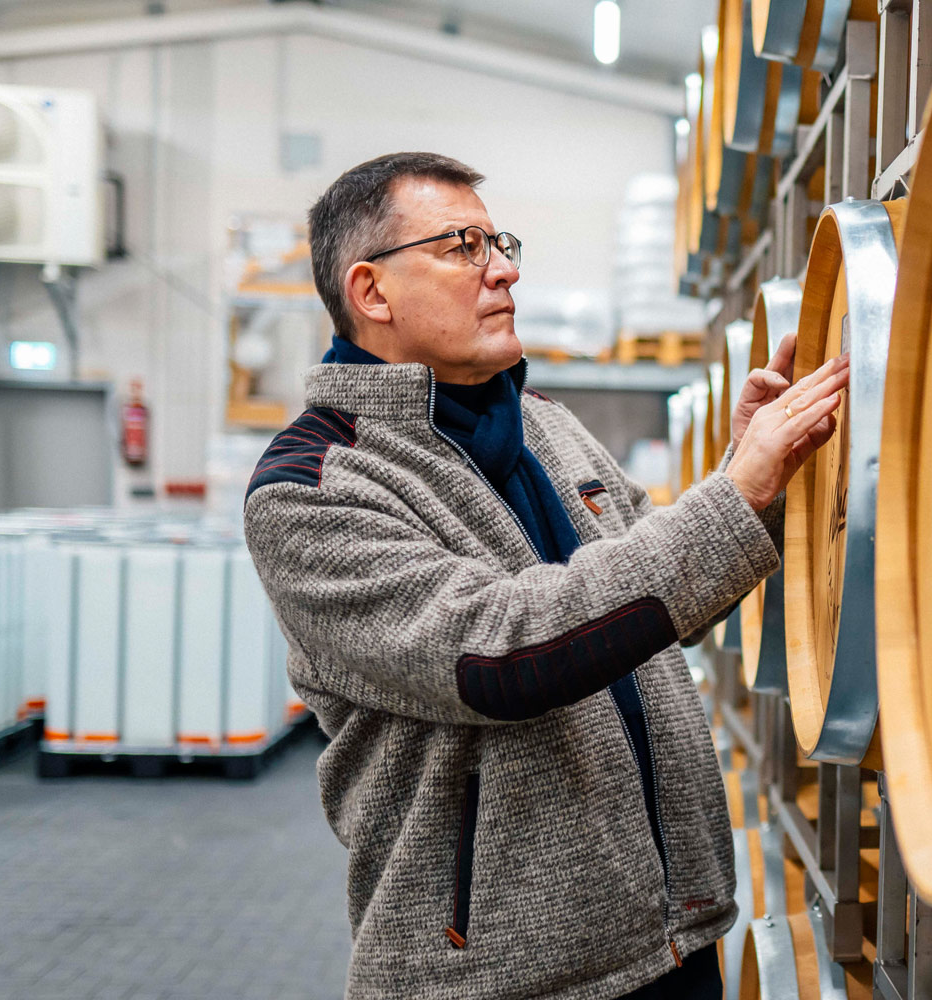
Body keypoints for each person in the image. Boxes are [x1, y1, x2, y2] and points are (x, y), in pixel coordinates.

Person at [242, 151, 847, 1000]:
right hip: (503, 976)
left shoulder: (548, 428)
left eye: (501, 242)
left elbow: (660, 602)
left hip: (676, 937)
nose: (505, 270)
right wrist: (731, 493)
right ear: (371, 292)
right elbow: (499, 654)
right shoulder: (315, 486)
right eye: (463, 248)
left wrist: (758, 488)